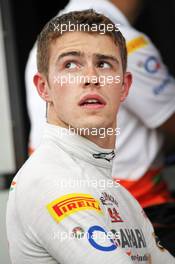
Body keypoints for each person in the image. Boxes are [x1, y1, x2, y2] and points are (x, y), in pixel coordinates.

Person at [6, 9, 175, 263]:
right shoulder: (48, 181)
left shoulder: (120, 196)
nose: (91, 78)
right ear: (44, 88)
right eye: (70, 64)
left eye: (104, 64)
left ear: (124, 86)